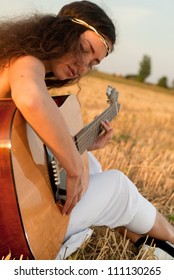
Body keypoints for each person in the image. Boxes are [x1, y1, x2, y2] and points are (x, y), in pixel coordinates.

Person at [0, 0, 173, 260]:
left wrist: (78, 147)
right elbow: (32, 99)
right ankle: (169, 237)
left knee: (90, 164)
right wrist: (72, 166)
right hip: (16, 228)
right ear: (62, 31)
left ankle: (147, 243)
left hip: (9, 205)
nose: (83, 67)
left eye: (93, 63)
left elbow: (20, 142)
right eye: (84, 48)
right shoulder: (25, 61)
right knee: (117, 187)